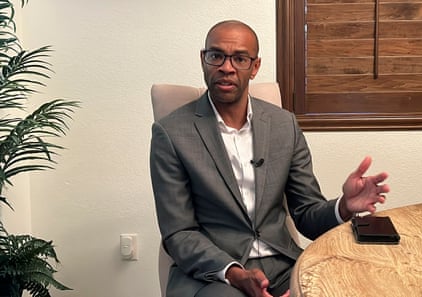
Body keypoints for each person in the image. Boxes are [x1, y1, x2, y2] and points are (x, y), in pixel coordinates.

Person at [150, 20, 389, 297]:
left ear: (255, 67)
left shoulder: (284, 125)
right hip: (214, 273)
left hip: (282, 264)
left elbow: (306, 213)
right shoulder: (171, 133)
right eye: (216, 56)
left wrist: (344, 206)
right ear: (203, 60)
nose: (226, 67)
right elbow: (179, 232)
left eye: (239, 58)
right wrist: (236, 274)